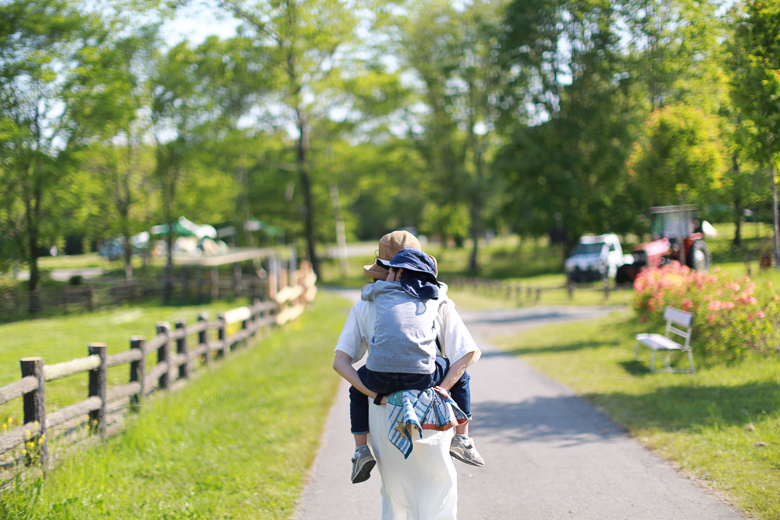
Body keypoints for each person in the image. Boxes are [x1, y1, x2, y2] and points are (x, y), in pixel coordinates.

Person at [332, 230, 482, 519]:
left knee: (395, 490)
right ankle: (462, 439)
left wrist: (374, 394)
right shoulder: (438, 300)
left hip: (382, 409)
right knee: (440, 486)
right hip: (431, 404)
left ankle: (360, 450)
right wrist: (445, 387)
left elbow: (342, 362)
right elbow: (466, 354)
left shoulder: (366, 303)